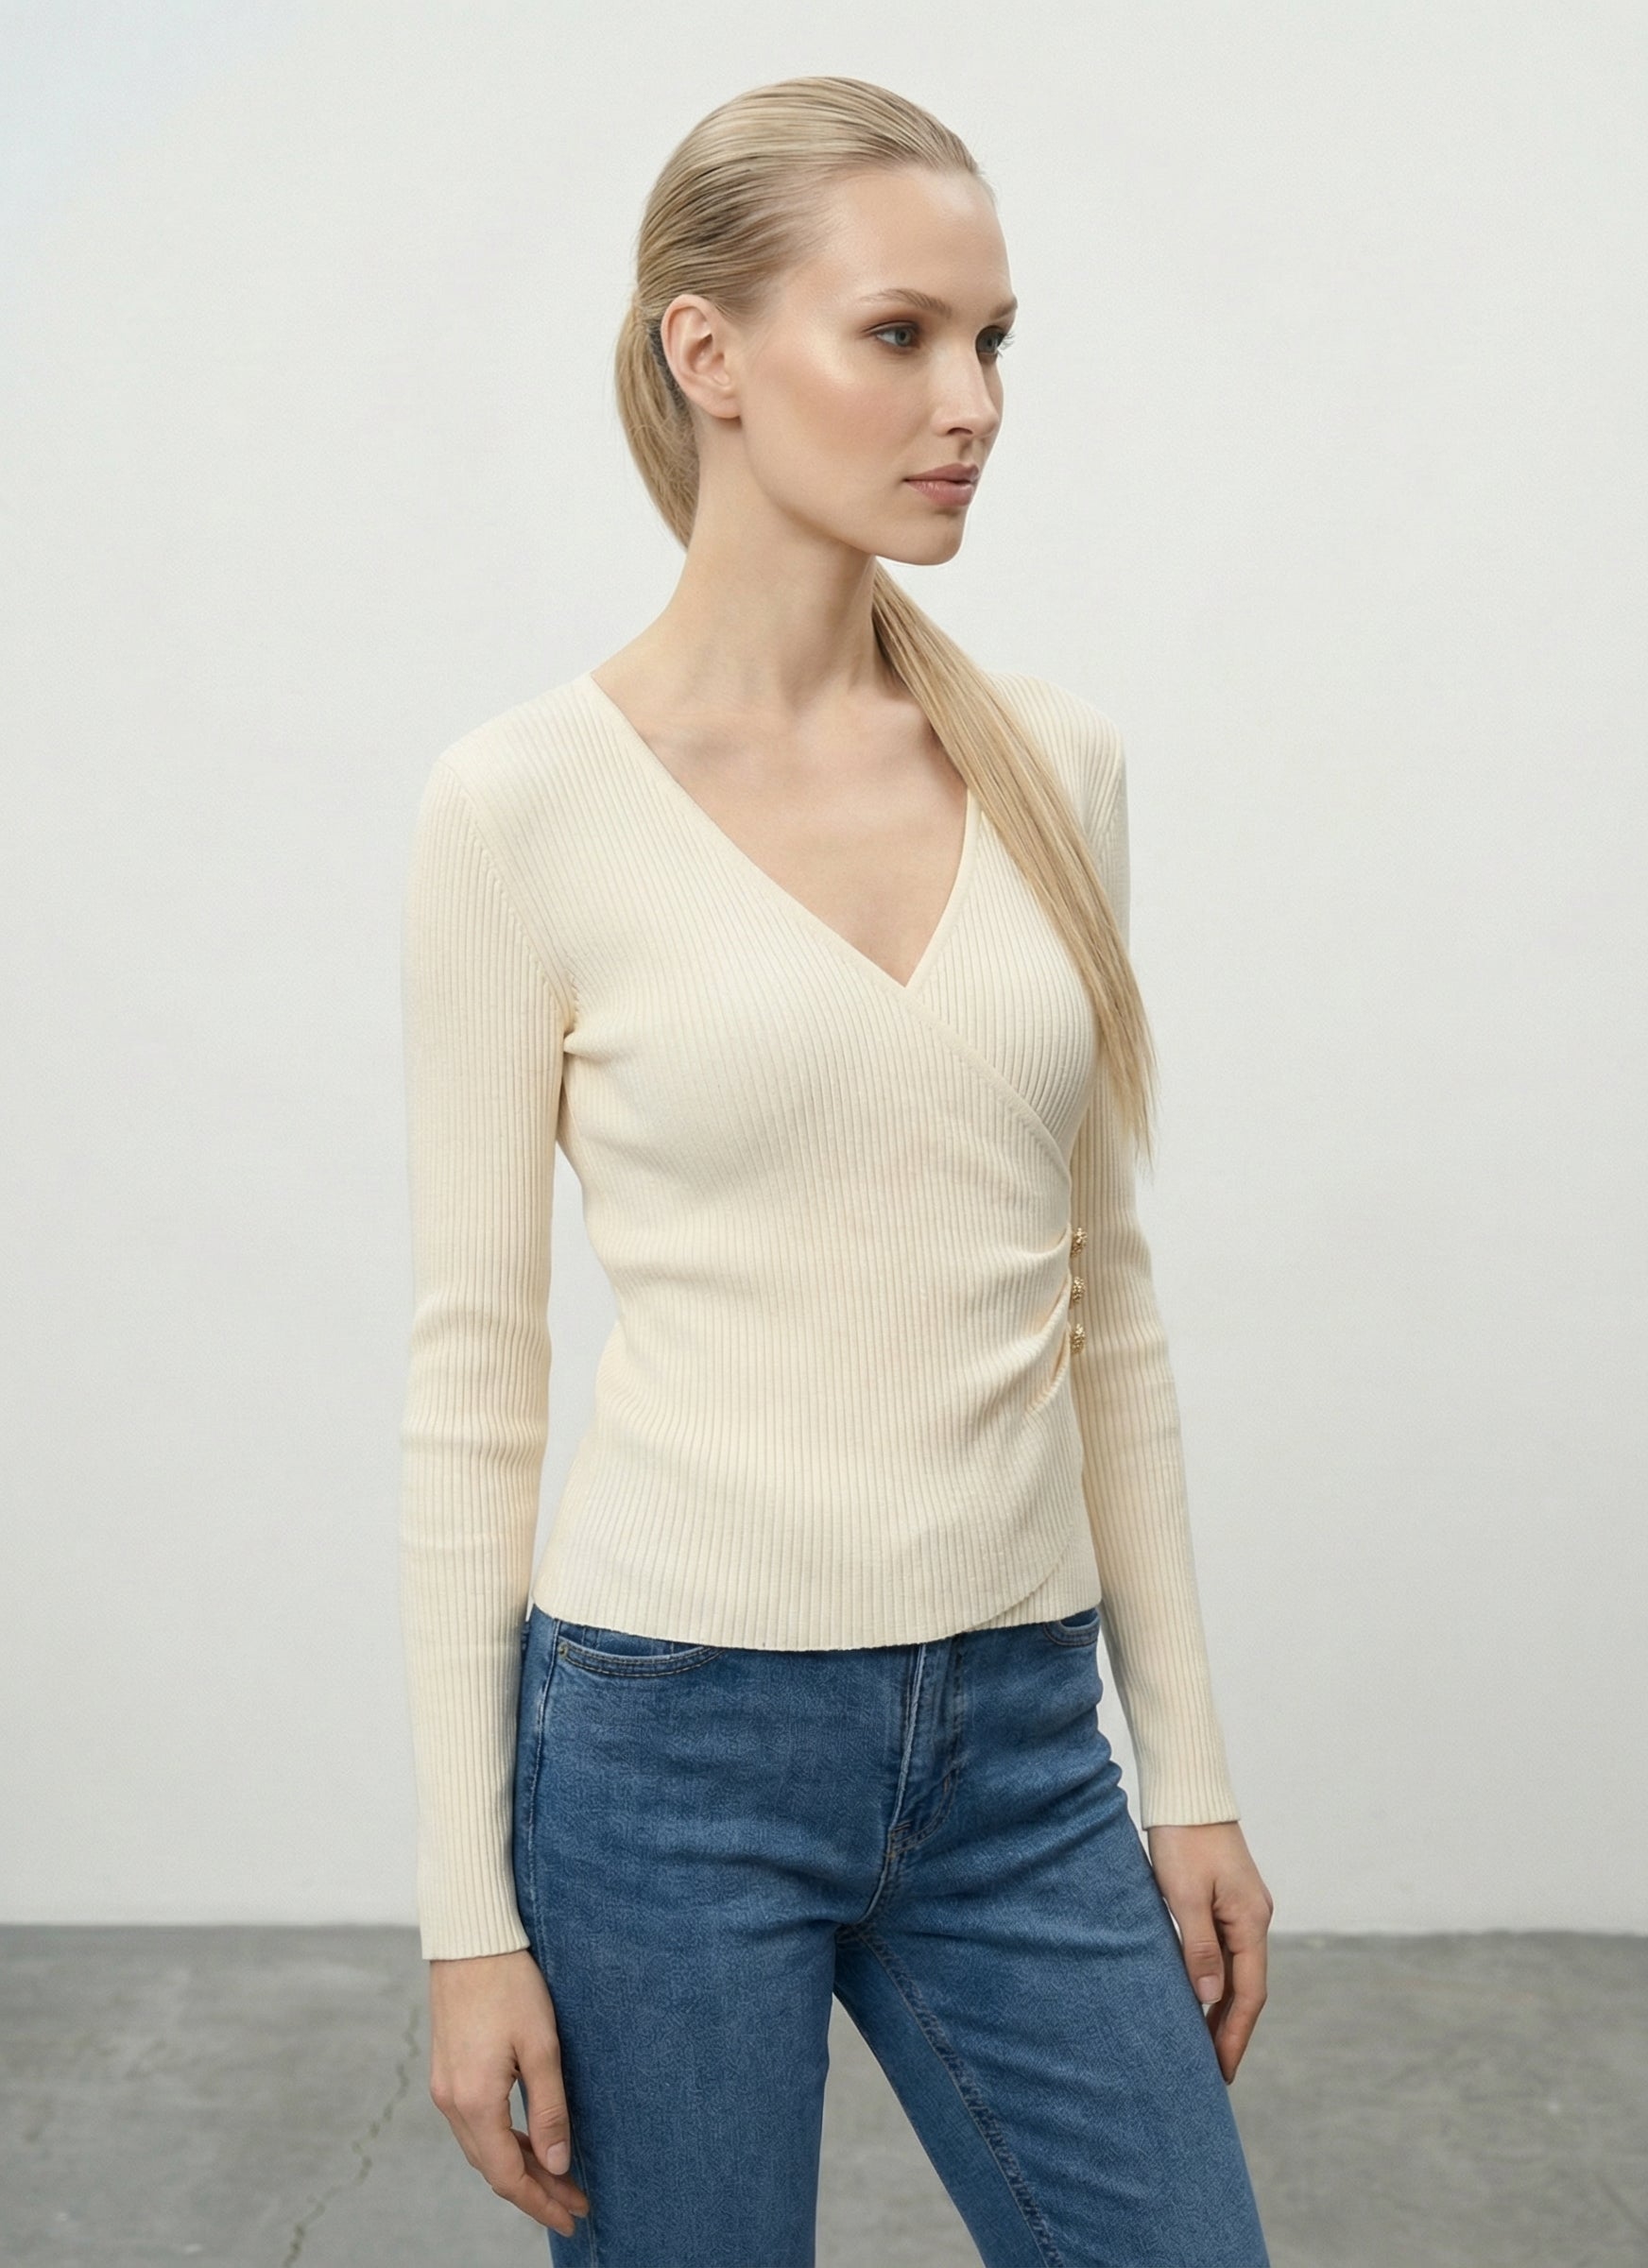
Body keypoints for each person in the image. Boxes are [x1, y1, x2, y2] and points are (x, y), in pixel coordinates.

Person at [398, 72, 1274, 2267]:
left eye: (992, 341)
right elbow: (471, 1376)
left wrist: (1182, 1770)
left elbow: (1105, 1304)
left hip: (1020, 1742)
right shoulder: (521, 806)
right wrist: (462, 1916)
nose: (970, 402)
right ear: (706, 353)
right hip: (662, 1754)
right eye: (898, 334)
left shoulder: (1054, 766)